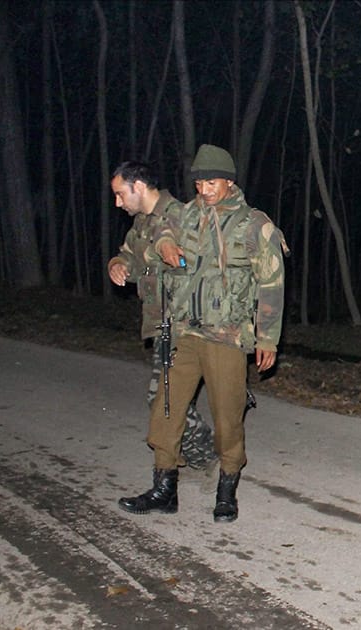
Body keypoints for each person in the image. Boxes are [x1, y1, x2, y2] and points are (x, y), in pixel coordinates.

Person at [118, 144, 286, 523]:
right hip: (183, 332)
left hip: (226, 335)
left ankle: (227, 489)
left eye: (211, 182)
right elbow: (157, 227)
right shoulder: (186, 216)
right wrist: (161, 243)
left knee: (227, 417)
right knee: (166, 407)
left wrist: (268, 338)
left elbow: (272, 283)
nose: (204, 190)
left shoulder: (253, 225)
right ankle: (164, 489)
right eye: (199, 183)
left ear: (228, 181)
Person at [106, 161, 217, 471]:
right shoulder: (142, 222)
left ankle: (205, 453)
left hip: (184, 322)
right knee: (167, 398)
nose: (117, 202)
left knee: (164, 397)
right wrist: (116, 264)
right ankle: (198, 457)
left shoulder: (180, 217)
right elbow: (128, 254)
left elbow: (191, 270)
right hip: (159, 320)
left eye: (119, 194)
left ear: (138, 186)